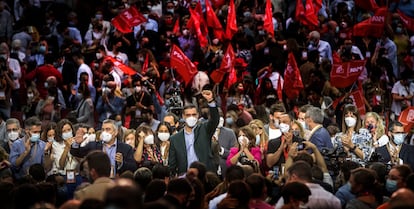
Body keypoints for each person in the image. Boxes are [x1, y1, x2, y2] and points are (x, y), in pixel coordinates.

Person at [168, 86, 219, 176]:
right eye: (188, 115)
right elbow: (172, 164)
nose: (191, 117)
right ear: (183, 117)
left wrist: (211, 101)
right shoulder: (174, 139)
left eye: (194, 114)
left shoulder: (205, 129)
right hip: (185, 177)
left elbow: (214, 120)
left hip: (205, 175)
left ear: (198, 115)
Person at [70, 119, 137, 177]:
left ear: (115, 132)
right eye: (103, 129)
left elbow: (133, 167)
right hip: (98, 182)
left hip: (117, 182)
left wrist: (122, 163)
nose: (104, 132)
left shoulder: (126, 148)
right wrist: (76, 143)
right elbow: (77, 153)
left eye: (108, 129)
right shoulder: (93, 146)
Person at [274, 161, 341, 209]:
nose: (287, 183)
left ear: (293, 177)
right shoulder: (331, 199)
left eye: (287, 179)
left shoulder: (289, 198)